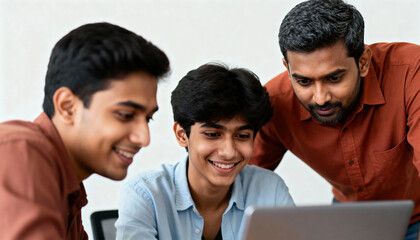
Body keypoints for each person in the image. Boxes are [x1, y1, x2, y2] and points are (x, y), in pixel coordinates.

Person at [248, 0, 420, 239]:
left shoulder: (412, 72)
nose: (320, 98)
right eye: (304, 81)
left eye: (334, 78)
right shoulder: (274, 104)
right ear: (287, 68)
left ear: (363, 62)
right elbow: (239, 185)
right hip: (347, 219)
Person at [0, 22, 170, 239]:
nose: (144, 138)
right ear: (67, 106)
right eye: (126, 115)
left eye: (148, 118)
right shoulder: (20, 154)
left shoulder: (68, 187)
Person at [115, 63, 294, 240]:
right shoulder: (145, 195)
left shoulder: (270, 190)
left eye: (242, 136)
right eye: (212, 134)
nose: (229, 152)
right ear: (182, 135)